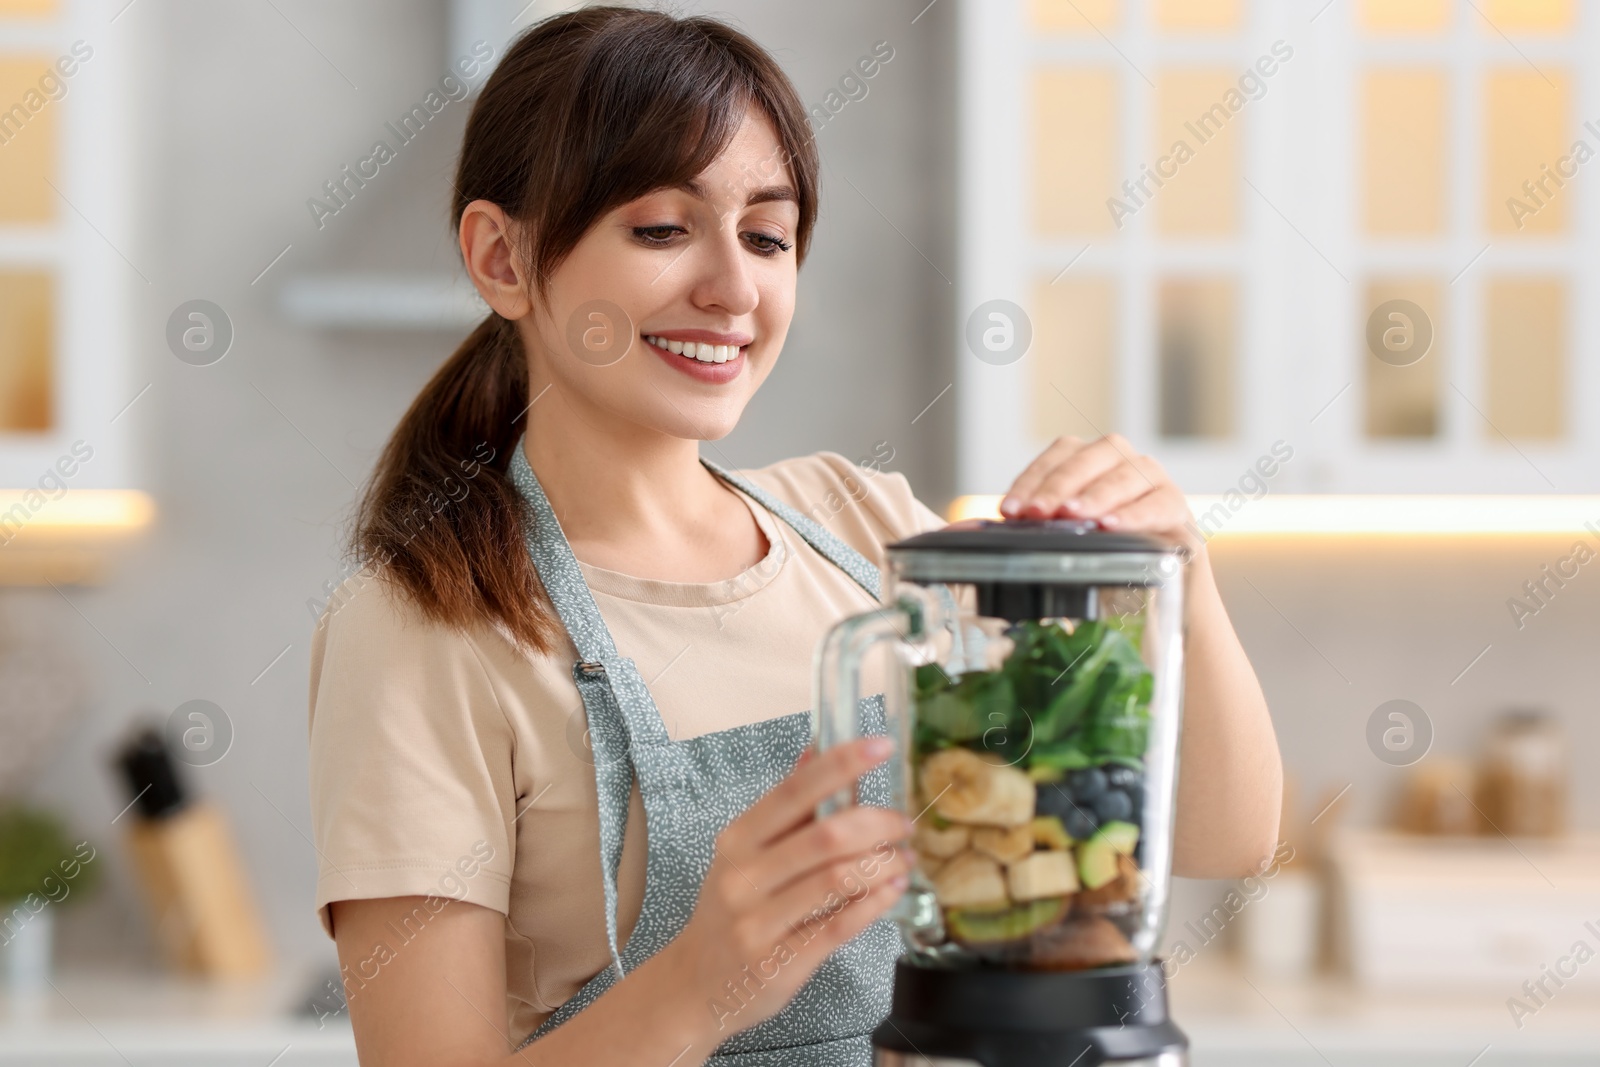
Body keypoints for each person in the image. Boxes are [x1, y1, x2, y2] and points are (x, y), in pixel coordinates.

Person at [306, 8, 1282, 1066]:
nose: (733, 288)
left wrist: (1178, 566)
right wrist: (699, 982)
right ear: (503, 257)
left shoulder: (864, 530)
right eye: (661, 229)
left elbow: (1221, 833)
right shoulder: (430, 618)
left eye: (767, 236)